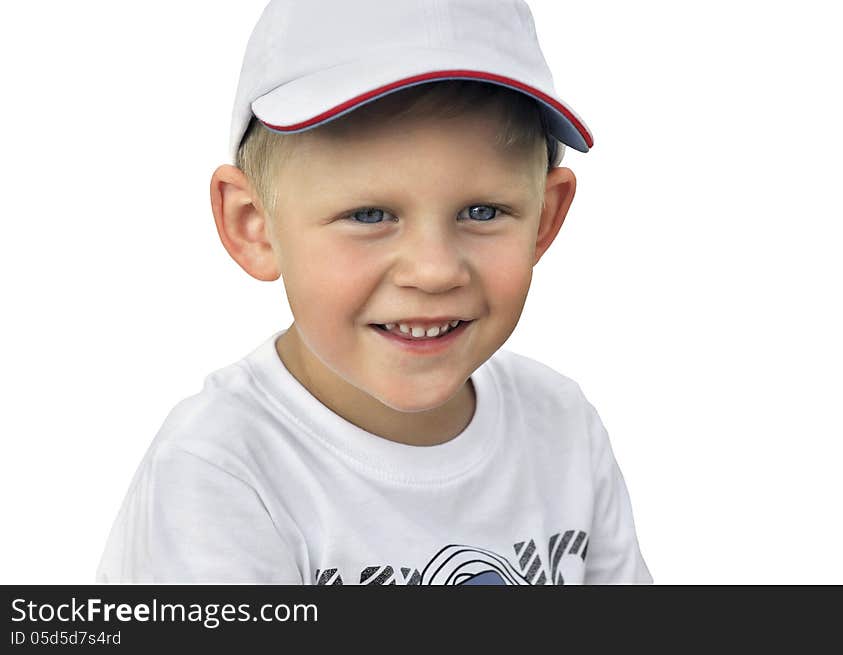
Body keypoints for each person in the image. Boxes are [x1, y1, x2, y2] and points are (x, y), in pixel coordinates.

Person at [96, 0, 652, 585]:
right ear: (252, 225)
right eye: (369, 214)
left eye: (482, 212)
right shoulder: (220, 470)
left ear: (545, 217)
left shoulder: (562, 426)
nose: (435, 272)